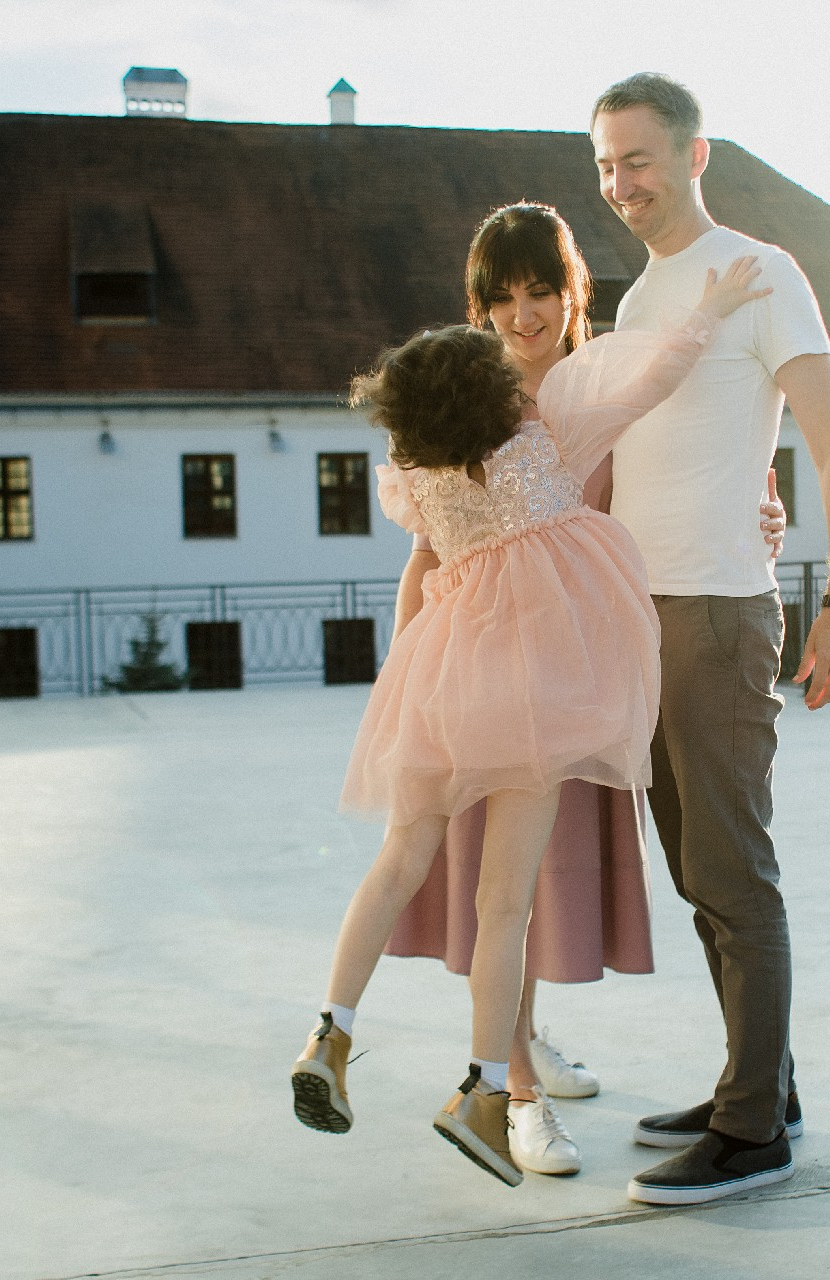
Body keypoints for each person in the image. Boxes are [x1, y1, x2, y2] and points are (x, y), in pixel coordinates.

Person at [290, 254, 771, 1187]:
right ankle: (482, 1087)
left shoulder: (416, 479)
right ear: (496, 396)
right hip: (539, 698)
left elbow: (422, 577)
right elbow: (654, 377)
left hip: (445, 680)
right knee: (502, 906)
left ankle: (331, 1033)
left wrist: (400, 687)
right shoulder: (545, 442)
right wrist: (709, 310)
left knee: (397, 864)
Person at [590, 73, 830, 1206]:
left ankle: (753, 1133)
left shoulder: (760, 274)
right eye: (605, 164)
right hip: (641, 611)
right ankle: (761, 1083)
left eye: (640, 160)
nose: (622, 184)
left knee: (735, 871)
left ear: (695, 156)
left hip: (714, 610)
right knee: (698, 871)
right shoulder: (638, 301)